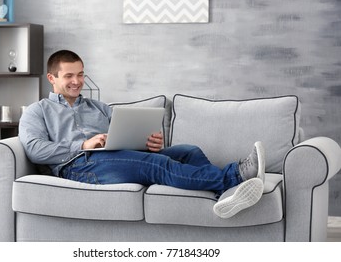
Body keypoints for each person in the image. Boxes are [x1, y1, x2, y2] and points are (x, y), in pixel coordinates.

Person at [19, 50, 266, 219]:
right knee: (155, 164)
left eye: (81, 74)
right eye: (69, 76)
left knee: (189, 151)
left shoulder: (99, 107)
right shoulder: (38, 110)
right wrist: (84, 144)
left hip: (117, 156)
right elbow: (34, 148)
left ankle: (222, 198)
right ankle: (235, 176)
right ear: (52, 78)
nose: (77, 81)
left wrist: (150, 142)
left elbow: (126, 136)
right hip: (79, 166)